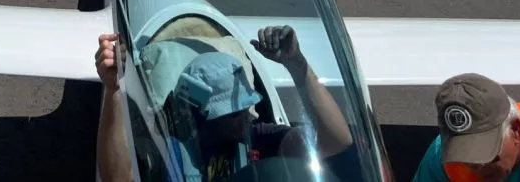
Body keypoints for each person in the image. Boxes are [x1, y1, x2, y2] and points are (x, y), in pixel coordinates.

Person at [95, 26, 355, 182]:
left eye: (244, 109)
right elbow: (117, 178)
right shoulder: (165, 147)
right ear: (198, 114)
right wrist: (114, 89)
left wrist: (298, 66)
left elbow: (337, 140)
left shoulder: (254, 137)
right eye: (233, 113)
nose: (246, 117)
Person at [412, 73, 520, 182]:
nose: (479, 170)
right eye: (469, 161)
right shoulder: (442, 157)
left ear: (515, 129)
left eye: (487, 157)